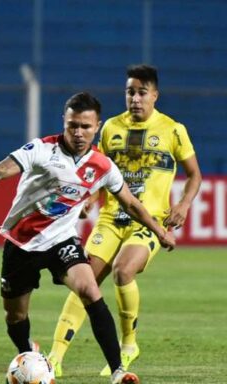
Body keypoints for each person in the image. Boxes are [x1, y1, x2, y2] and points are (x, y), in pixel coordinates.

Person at [0, 92, 176, 384]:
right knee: (15, 316)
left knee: (91, 290)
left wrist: (159, 231)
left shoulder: (102, 166)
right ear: (64, 123)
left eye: (85, 127)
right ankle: (30, 356)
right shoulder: (41, 150)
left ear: (97, 127)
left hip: (62, 242)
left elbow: (130, 203)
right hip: (21, 243)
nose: (78, 133)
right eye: (73, 126)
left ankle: (118, 371)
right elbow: (1, 170)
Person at [48, 65, 202, 378]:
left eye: (142, 92)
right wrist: (88, 199)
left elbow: (194, 174)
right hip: (110, 219)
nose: (135, 98)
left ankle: (128, 344)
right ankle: (55, 356)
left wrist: (184, 204)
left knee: (122, 270)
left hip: (148, 221)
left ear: (155, 95)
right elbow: (98, 173)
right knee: (85, 281)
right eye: (130, 91)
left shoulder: (173, 130)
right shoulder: (109, 129)